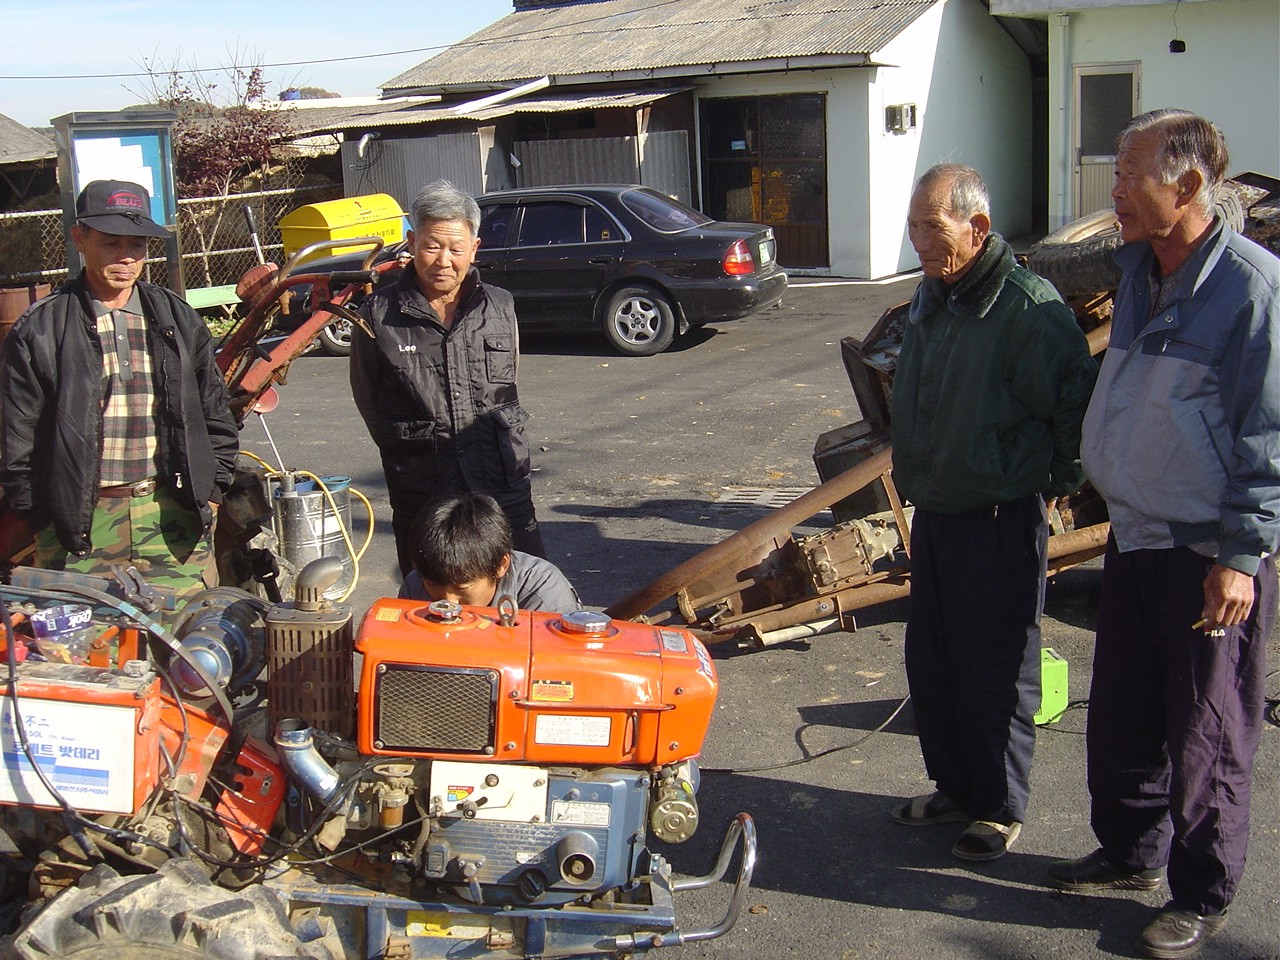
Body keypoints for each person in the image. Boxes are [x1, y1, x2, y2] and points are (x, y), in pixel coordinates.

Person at [1048, 110, 1280, 959]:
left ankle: (1202, 891)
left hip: (1205, 552)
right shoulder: (1141, 269)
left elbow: (1268, 436)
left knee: (1208, 730)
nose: (1111, 191)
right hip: (1138, 535)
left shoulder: (1251, 289)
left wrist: (1240, 558)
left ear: (1186, 188)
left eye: (1127, 174)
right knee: (1125, 713)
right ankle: (1128, 852)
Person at [888, 163, 1096, 862]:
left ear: (976, 228)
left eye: (931, 226)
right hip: (941, 513)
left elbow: (1074, 400)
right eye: (913, 224)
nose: (917, 238)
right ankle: (956, 787)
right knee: (935, 663)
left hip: (1001, 517)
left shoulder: (1025, 307)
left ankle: (1001, 807)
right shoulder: (933, 295)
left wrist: (1060, 480)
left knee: (998, 670)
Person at [0, 180, 238, 597]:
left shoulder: (175, 317)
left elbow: (214, 410)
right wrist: (38, 513)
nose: (126, 257)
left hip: (172, 517)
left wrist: (212, 490)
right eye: (111, 243)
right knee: (86, 651)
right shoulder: (42, 328)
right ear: (80, 238)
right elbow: (15, 436)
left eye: (138, 245)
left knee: (186, 645)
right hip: (80, 524)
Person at [351, 179, 545, 576]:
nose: (444, 260)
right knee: (431, 599)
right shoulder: (376, 315)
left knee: (526, 588)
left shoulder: (501, 305)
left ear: (474, 248)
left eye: (456, 248)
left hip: (500, 480)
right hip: (422, 486)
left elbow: (508, 387)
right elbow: (370, 400)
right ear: (411, 242)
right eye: (432, 245)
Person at [399, 493, 579, 612]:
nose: (448, 602)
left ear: (501, 565)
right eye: (433, 586)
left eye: (461, 588)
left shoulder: (545, 597)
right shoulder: (416, 584)